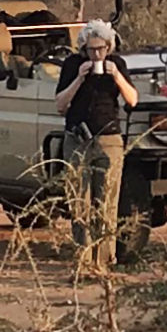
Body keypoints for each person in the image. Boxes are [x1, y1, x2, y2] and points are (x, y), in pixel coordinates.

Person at [56, 21, 140, 272]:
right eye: (91, 49)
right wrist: (79, 79)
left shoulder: (118, 65)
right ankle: (83, 261)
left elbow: (132, 100)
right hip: (78, 138)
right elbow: (60, 105)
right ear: (83, 47)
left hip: (108, 139)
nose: (96, 55)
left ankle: (104, 261)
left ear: (109, 46)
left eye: (101, 49)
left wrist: (116, 76)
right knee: (79, 201)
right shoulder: (72, 65)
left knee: (106, 202)